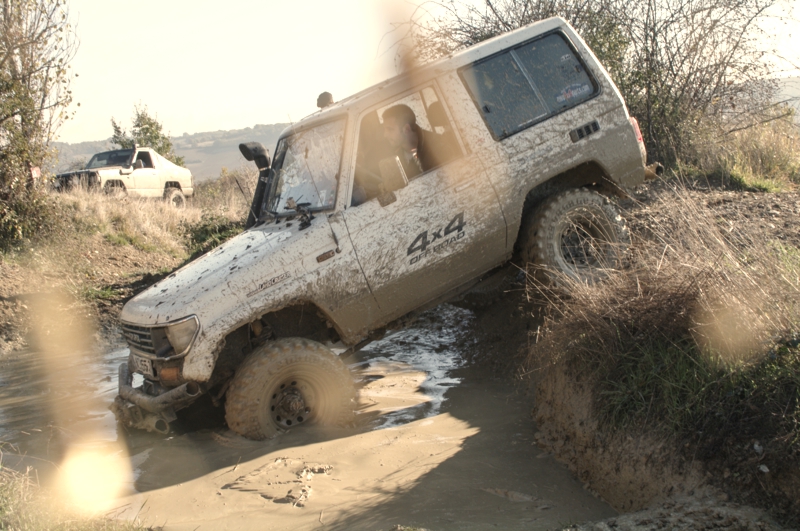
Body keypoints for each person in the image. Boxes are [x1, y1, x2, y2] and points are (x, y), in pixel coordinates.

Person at [381, 104, 455, 179]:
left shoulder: (438, 146)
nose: (385, 135)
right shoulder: (392, 153)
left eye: (390, 129)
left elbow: (450, 178)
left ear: (406, 129)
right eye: (385, 129)